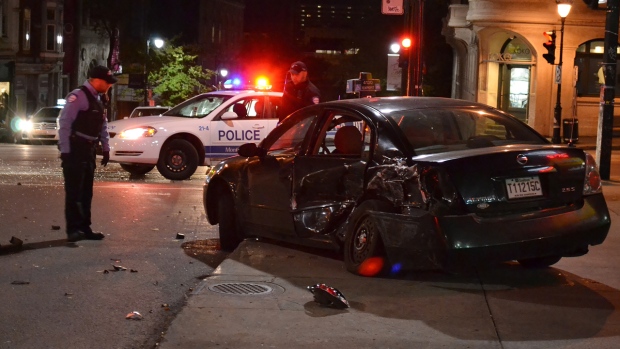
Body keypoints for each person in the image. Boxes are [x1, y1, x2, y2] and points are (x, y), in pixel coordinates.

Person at [58, 65, 117, 242]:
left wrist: (106, 148)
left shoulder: (98, 98)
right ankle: (72, 230)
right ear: (96, 80)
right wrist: (66, 151)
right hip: (76, 149)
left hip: (89, 149)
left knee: (86, 192)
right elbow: (65, 124)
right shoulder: (78, 96)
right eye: (107, 82)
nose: (109, 86)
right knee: (74, 191)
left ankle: (85, 227)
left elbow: (102, 124)